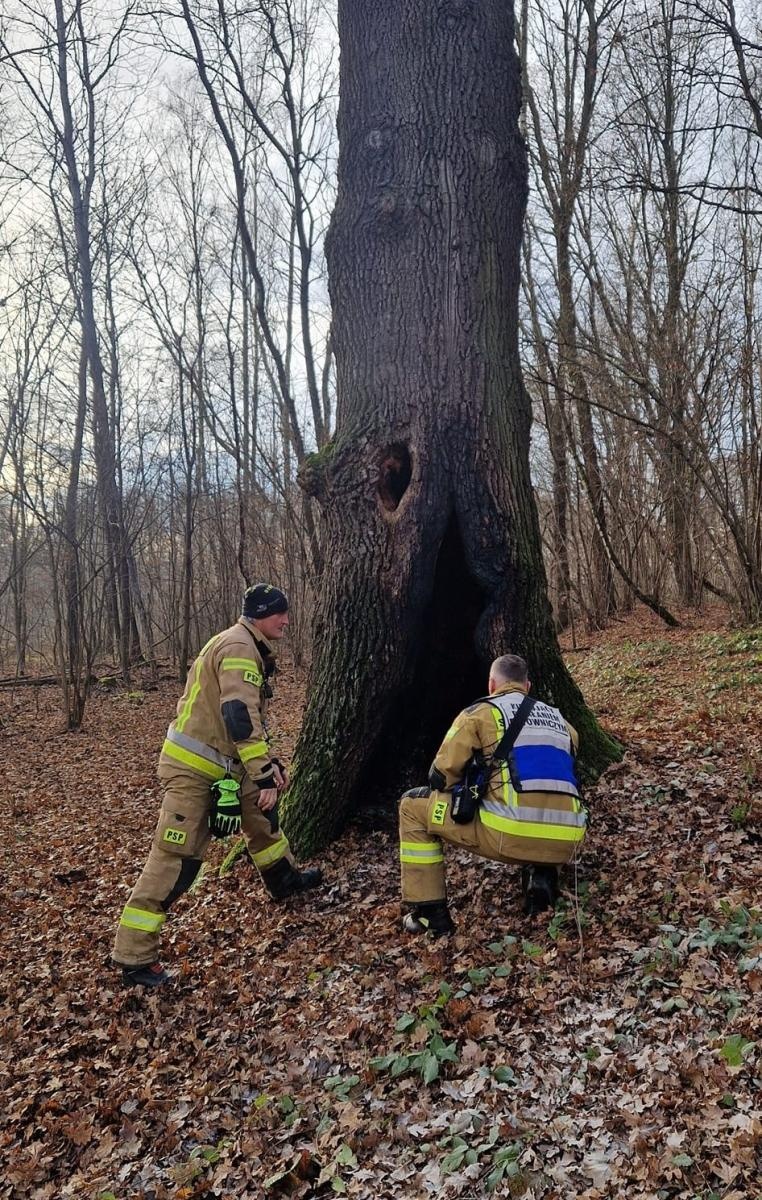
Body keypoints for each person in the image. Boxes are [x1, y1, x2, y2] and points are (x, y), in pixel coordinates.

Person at [112, 583, 322, 987]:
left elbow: (248, 720)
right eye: (280, 613)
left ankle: (284, 880)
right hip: (194, 771)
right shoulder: (240, 647)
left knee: (263, 818)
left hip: (226, 764)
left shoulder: (245, 642)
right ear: (261, 614)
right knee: (177, 859)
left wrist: (268, 766)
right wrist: (263, 774)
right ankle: (135, 957)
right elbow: (238, 717)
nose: (287, 620)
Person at [398, 653, 586, 936]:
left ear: (491, 684)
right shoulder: (563, 723)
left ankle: (430, 915)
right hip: (569, 839)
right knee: (539, 799)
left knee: (412, 805)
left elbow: (440, 776)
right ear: (528, 686)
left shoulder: (480, 713)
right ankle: (542, 877)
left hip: (508, 834)